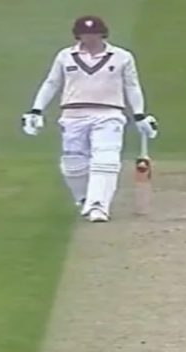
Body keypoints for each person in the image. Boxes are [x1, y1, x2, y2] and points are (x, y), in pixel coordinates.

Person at [21, 16, 158, 223]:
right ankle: (84, 198)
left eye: (95, 33)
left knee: (105, 159)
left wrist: (139, 115)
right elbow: (51, 83)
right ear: (78, 35)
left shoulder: (121, 57)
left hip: (109, 114)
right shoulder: (65, 56)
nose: (90, 38)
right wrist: (36, 110)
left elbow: (132, 86)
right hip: (72, 115)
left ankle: (98, 206)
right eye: (85, 34)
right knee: (73, 164)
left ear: (103, 34)